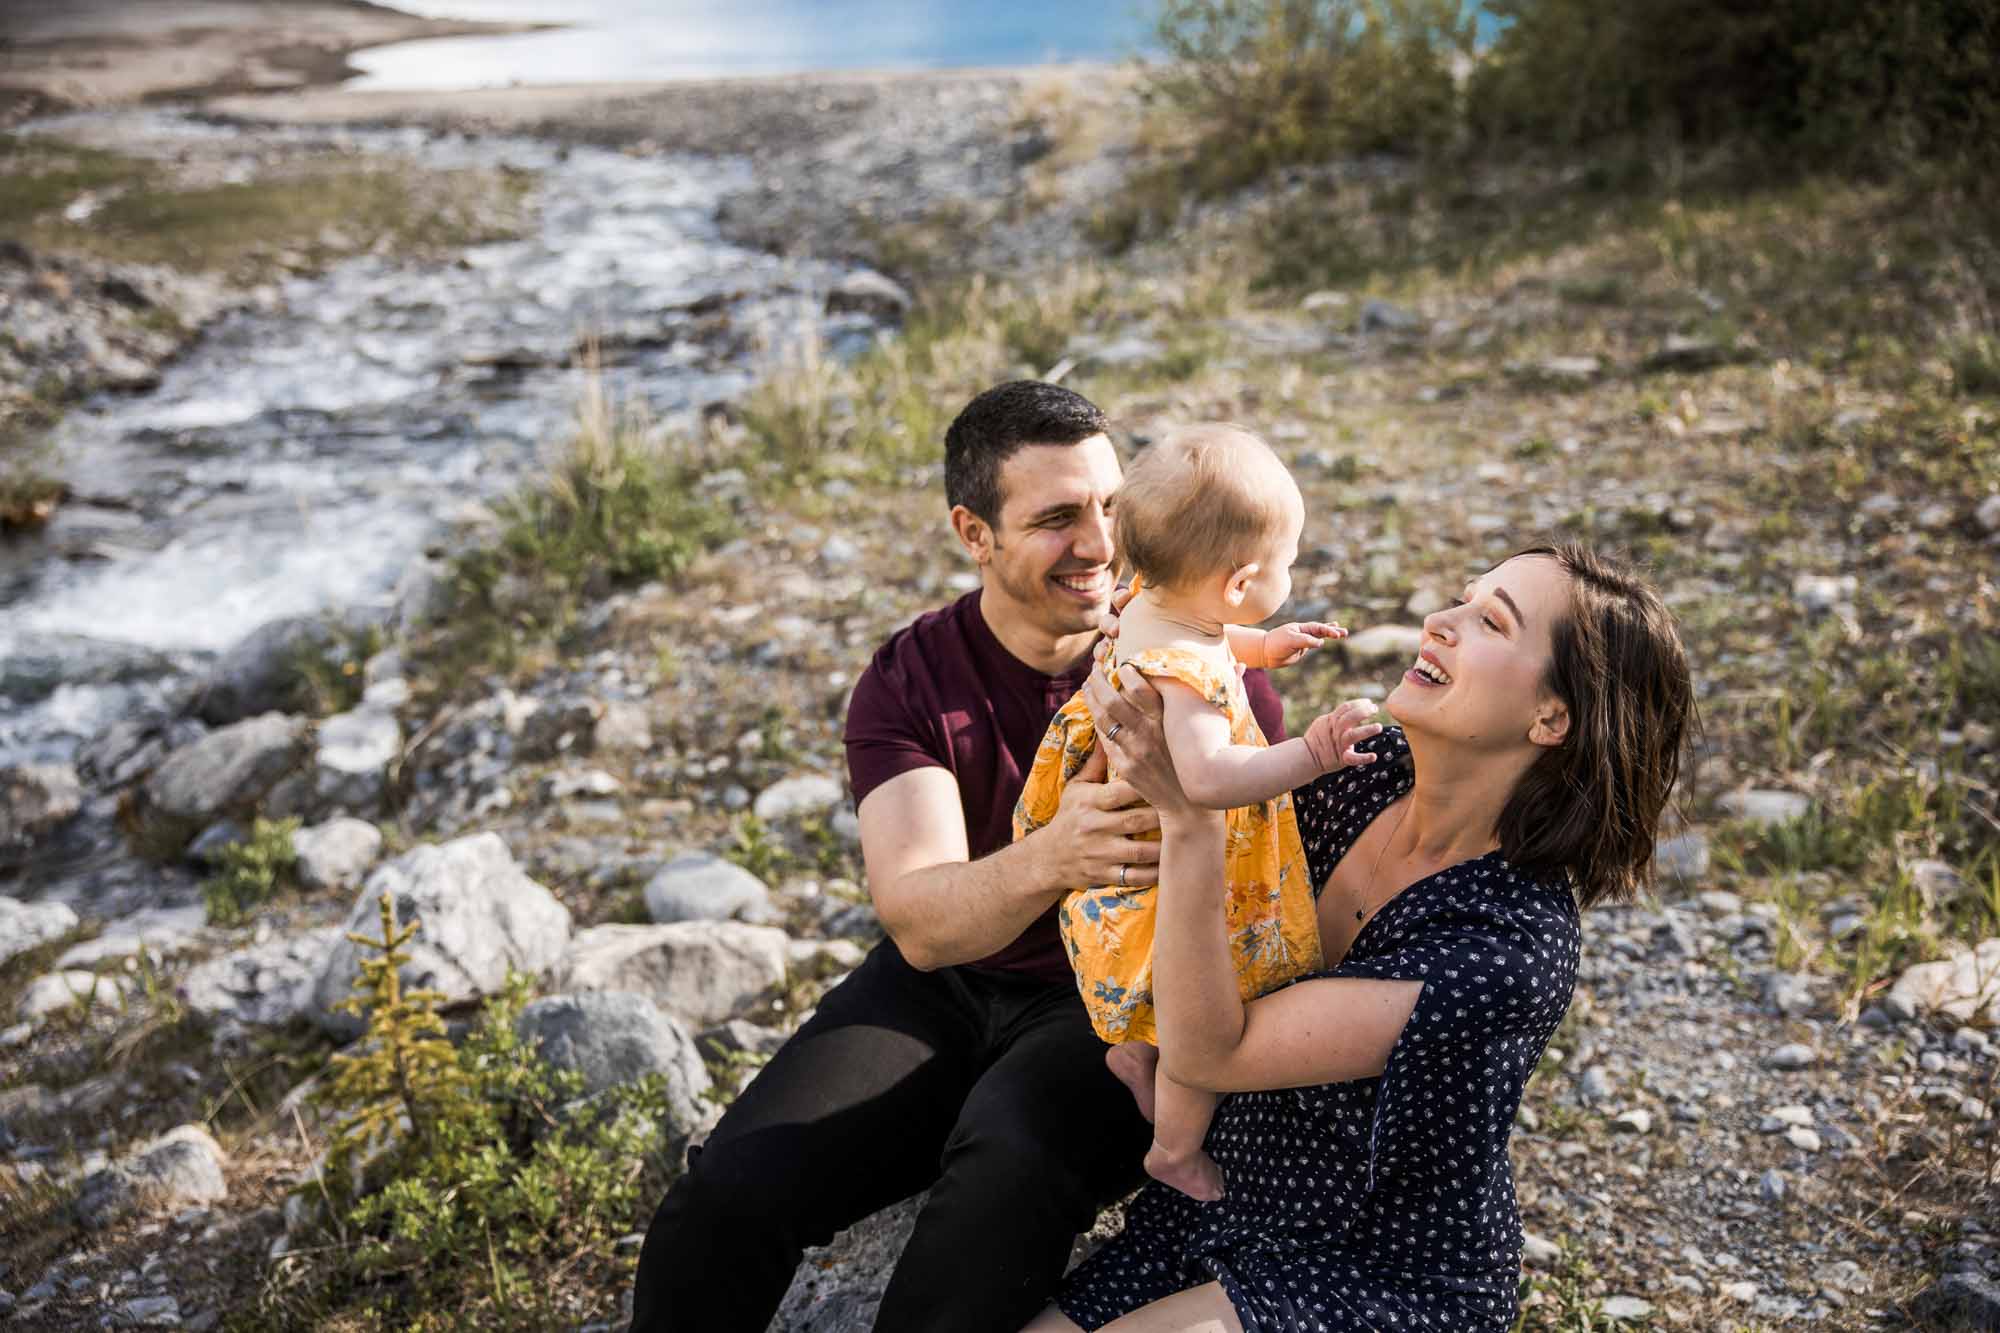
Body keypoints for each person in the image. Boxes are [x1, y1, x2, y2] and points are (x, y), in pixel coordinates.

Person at [627, 381, 1289, 1332]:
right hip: (944, 984)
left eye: (1109, 505)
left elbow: (1253, 881)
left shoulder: (1194, 661)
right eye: (1058, 518)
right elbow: (921, 923)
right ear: (973, 533)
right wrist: (1058, 854)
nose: (1101, 546)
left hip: (1113, 1003)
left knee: (1009, 1157)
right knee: (730, 1191)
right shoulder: (913, 679)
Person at [1025, 541, 1694, 1332]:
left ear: (1552, 716)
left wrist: (1190, 818)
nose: (1437, 622)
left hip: (1374, 1268)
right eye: (1460, 597)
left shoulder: (1505, 951)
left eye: (1489, 621)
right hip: (1220, 1201)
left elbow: (1210, 1053)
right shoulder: (1367, 768)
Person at [1012, 424, 1378, 1203]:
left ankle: (1134, 1058)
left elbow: (1206, 632)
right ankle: (1173, 1148)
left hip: (1130, 858)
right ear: (1240, 580)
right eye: (1288, 565)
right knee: (1203, 1008)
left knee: (1158, 1010)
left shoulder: (1151, 604)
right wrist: (1311, 754)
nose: (1292, 574)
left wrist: (1263, 646)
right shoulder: (1184, 680)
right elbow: (1210, 777)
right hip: (1171, 874)